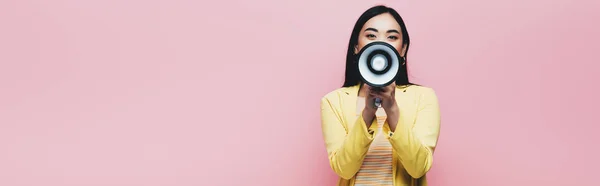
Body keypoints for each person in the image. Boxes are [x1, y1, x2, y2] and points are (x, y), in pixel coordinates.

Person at [320, 5, 441, 186]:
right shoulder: (333, 102)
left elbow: (418, 168)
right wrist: (368, 113)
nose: (381, 43)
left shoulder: (423, 97)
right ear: (356, 46)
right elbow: (344, 169)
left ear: (403, 49)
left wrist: (391, 109)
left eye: (392, 37)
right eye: (371, 35)